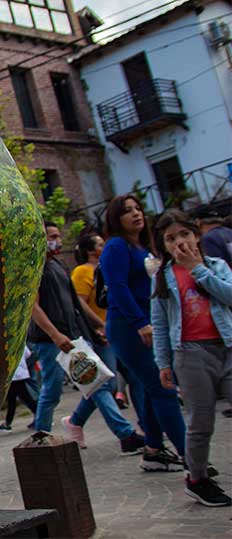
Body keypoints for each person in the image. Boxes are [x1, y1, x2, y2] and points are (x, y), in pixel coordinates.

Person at [28, 223, 144, 454]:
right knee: (52, 391)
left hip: (73, 337)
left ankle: (125, 434)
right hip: (51, 341)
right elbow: (33, 306)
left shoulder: (58, 266)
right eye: (52, 236)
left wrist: (98, 325)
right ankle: (40, 438)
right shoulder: (34, 268)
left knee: (96, 383)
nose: (57, 240)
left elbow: (76, 303)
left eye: (58, 236)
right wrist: (54, 334)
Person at [150, 210, 232, 506]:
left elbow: (229, 296)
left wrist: (198, 269)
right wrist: (163, 363)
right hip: (190, 354)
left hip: (226, 347)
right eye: (171, 239)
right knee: (201, 420)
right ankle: (197, 478)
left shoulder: (215, 265)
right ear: (163, 245)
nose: (179, 242)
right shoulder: (164, 277)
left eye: (184, 234)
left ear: (196, 235)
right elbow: (159, 322)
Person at [101, 194, 187, 472]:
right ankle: (191, 456)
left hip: (149, 322)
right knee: (163, 387)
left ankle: (153, 449)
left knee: (152, 388)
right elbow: (117, 287)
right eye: (127, 211)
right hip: (129, 326)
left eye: (138, 208)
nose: (136, 214)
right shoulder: (116, 246)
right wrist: (140, 323)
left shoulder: (141, 246)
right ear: (116, 218)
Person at [71, 233, 131, 409]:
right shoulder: (82, 272)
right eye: (99, 245)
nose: (104, 248)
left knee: (134, 377)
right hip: (101, 333)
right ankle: (76, 420)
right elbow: (80, 302)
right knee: (107, 383)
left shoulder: (106, 267)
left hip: (118, 328)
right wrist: (99, 324)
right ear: (90, 251)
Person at [0, 345, 37, 431]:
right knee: (15, 399)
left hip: (13, 375)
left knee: (23, 398)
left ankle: (41, 416)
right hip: (20, 373)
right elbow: (28, 354)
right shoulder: (20, 341)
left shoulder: (1, 343)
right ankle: (8, 423)